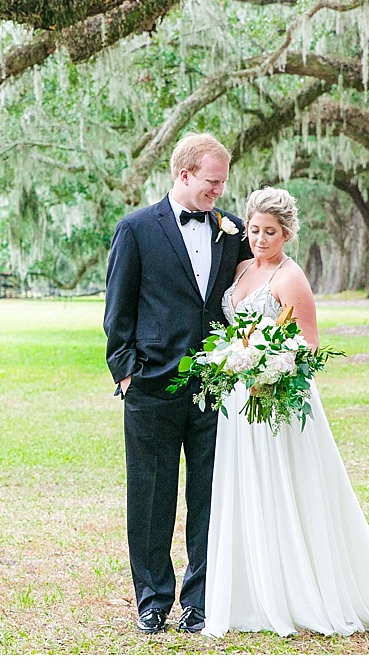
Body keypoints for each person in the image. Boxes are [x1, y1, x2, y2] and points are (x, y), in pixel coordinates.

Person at [203, 187, 369, 638]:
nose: (261, 239)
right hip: (239, 401)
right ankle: (253, 594)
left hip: (277, 397)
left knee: (289, 487)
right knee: (248, 487)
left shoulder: (289, 277)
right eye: (256, 230)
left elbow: (309, 343)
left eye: (271, 232)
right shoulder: (241, 268)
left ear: (287, 233)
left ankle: (302, 592)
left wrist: (269, 366)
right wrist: (233, 362)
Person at [103, 133, 253, 634]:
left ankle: (201, 600)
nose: (219, 192)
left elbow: (252, 293)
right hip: (150, 388)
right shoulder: (136, 229)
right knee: (150, 497)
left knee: (210, 497)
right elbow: (117, 313)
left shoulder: (232, 233)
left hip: (215, 387)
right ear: (184, 174)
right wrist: (127, 375)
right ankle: (151, 599)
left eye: (223, 183)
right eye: (212, 182)